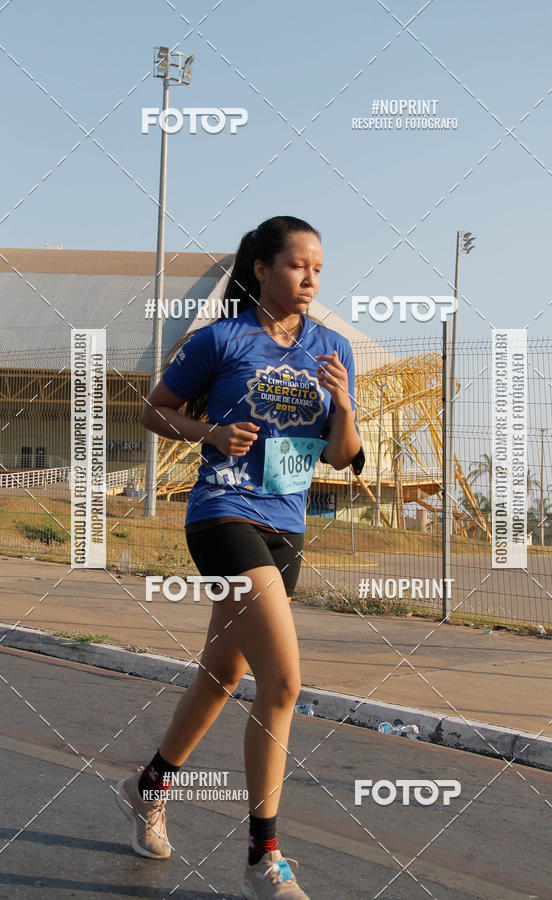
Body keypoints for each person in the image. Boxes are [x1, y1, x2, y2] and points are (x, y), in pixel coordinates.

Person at [115, 215, 364, 899]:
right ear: (260, 268)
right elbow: (154, 409)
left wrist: (342, 403)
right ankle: (263, 859)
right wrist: (210, 432)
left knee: (222, 674)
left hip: (287, 524)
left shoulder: (333, 347)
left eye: (319, 267)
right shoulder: (222, 340)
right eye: (297, 265)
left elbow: (343, 456)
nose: (310, 278)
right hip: (224, 514)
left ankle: (149, 787)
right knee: (282, 683)